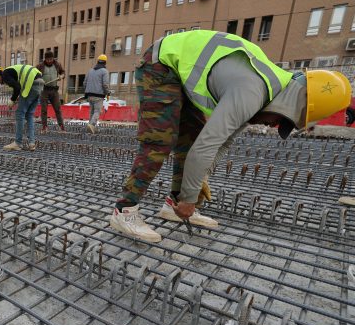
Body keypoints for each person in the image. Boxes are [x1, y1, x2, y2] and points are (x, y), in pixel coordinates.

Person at [110, 29, 351, 242]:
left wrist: (198, 181)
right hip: (160, 64)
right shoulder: (251, 92)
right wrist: (190, 199)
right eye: (278, 121)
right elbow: (205, 148)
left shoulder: (268, 89)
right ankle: (125, 210)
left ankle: (173, 204)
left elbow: (222, 142)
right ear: (286, 108)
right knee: (159, 140)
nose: (272, 125)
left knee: (190, 140)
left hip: (179, 72)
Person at [0, 64, 44, 151]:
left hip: (31, 82)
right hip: (40, 83)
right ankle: (31, 143)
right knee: (29, 115)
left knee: (19, 113)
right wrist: (17, 97)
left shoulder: (5, 74)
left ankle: (18, 143)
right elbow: (19, 87)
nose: (0, 83)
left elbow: (17, 87)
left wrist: (12, 99)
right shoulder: (12, 71)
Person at [35, 51, 65, 132]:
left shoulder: (57, 65)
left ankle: (61, 126)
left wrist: (61, 76)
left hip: (54, 90)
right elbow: (34, 75)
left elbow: (62, 72)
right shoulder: (40, 66)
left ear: (53, 58)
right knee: (44, 109)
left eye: (51, 59)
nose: (49, 61)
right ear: (45, 59)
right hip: (44, 90)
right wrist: (39, 80)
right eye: (47, 59)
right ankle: (44, 127)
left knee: (57, 109)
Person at [84, 54, 110, 134]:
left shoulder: (90, 70)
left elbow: (84, 83)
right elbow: (105, 84)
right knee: (97, 111)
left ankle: (90, 126)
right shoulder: (104, 71)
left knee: (92, 111)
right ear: (105, 62)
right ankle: (91, 125)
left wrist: (86, 92)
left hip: (89, 94)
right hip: (98, 95)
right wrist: (107, 93)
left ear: (97, 61)